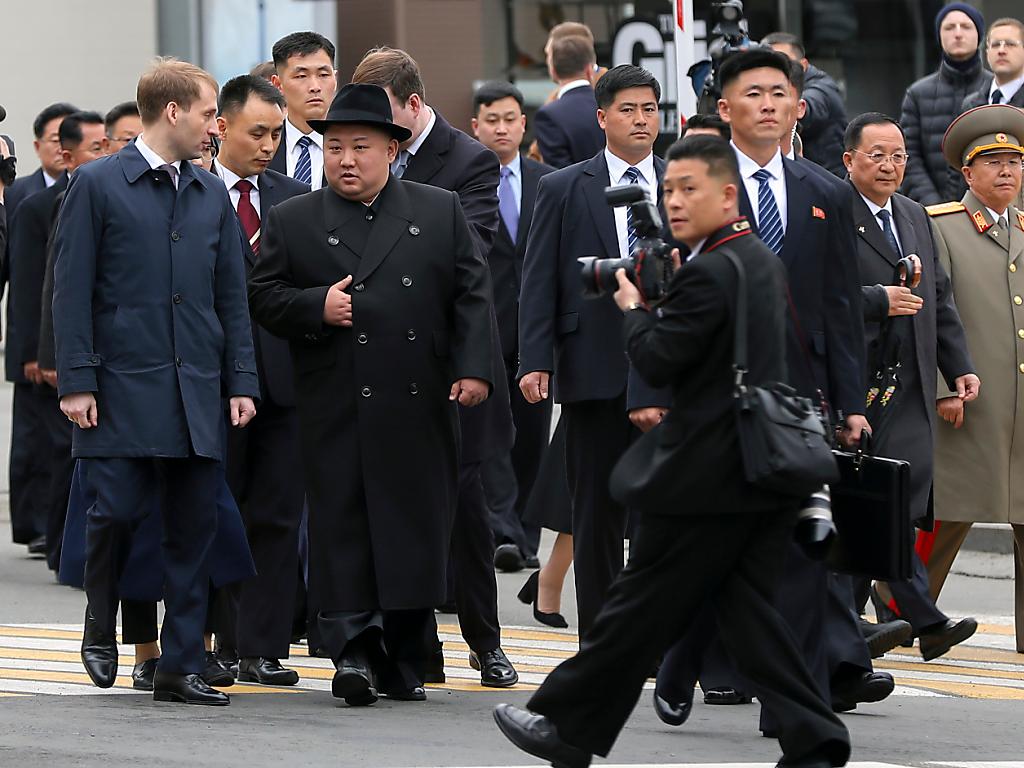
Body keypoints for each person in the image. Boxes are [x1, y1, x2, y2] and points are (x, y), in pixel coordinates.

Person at [493, 133, 851, 768]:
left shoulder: (712, 270)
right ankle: (815, 738)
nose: (676, 202)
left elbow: (660, 357)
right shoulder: (752, 258)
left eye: (690, 190)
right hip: (752, 467)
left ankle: (565, 726)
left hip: (707, 471)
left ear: (728, 196)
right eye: (669, 191)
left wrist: (635, 307)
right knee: (746, 613)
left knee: (639, 604)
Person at [248, 82, 495, 705]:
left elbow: (472, 293)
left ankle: (404, 654)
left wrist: (474, 369)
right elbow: (263, 296)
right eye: (334, 147)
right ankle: (352, 651)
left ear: (391, 150)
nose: (346, 160)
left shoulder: (438, 209)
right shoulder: (295, 218)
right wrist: (316, 306)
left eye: (360, 146)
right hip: (337, 400)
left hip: (420, 398)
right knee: (344, 525)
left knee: (413, 526)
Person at [655, 48, 866, 723]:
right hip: (715, 398)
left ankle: (789, 704)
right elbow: (671, 301)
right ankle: (682, 658)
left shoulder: (827, 192)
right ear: (725, 108)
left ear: (799, 106)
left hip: (801, 402)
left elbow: (841, 306)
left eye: (780, 93)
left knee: (802, 555)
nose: (769, 105)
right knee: (714, 545)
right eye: (754, 93)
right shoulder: (695, 187)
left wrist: (851, 403)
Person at [53, 57, 259, 706]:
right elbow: (70, 289)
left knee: (194, 528)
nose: (215, 126)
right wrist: (77, 380)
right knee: (114, 511)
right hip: (119, 385)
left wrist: (241, 381)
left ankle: (180, 665)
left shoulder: (208, 192)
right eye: (208, 114)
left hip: (195, 386)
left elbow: (232, 298)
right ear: (173, 112)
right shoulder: (97, 184)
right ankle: (100, 616)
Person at [352, 46, 519, 689]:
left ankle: (486, 640)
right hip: (380, 360)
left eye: (384, 117)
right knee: (393, 511)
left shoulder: (469, 160)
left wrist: (379, 254)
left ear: (413, 104)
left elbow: (468, 252)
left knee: (466, 513)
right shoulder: (361, 155)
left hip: (451, 361)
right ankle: (415, 650)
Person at [517, 64, 669, 635]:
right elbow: (539, 280)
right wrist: (535, 360)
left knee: (661, 513)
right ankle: (601, 643)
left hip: (667, 372)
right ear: (602, 117)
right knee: (595, 515)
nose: (640, 120)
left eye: (649, 109)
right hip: (592, 367)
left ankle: (655, 640)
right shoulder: (563, 186)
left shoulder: (682, 182)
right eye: (627, 110)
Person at [843, 111, 980, 661]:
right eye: (876, 155)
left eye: (898, 155)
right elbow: (816, 297)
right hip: (858, 384)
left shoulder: (914, 214)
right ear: (849, 159)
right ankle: (917, 618)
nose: (890, 165)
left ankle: (860, 627)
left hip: (912, 381)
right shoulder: (831, 212)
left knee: (893, 499)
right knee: (873, 503)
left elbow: (940, 297)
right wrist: (877, 300)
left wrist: (958, 365)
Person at [910, 104, 1024, 654]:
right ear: (968, 172)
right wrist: (942, 386)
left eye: (1014, 162)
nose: (1006, 172)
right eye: (993, 162)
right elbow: (932, 313)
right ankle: (901, 608)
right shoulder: (943, 226)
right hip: (971, 397)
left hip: (1021, 401)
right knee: (948, 514)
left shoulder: (1023, 227)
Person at [211, 74, 310, 686]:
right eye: (257, 133)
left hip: (284, 379)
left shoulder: (293, 199)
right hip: (214, 380)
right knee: (217, 511)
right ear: (221, 126)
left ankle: (262, 646)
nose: (269, 145)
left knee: (277, 515)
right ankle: (218, 640)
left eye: (276, 133)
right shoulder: (193, 189)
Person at [10, 111, 107, 572]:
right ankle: (52, 541)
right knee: (52, 449)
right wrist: (35, 353)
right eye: (96, 148)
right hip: (49, 349)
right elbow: (33, 286)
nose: (106, 154)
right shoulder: (36, 204)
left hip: (80, 348)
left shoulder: (103, 193)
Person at [471, 81, 554, 573]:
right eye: (492, 120)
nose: (501, 128)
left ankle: (525, 534)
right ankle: (502, 530)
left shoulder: (549, 182)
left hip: (535, 330)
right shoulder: (468, 182)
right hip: (485, 326)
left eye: (509, 119)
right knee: (492, 435)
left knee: (532, 437)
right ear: (476, 126)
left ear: (524, 125)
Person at [4, 102, 78, 554]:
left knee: (59, 439)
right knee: (31, 439)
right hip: (31, 336)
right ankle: (31, 524)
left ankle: (53, 526)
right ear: (38, 146)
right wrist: (28, 350)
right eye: (52, 140)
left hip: (57, 339)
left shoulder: (81, 190)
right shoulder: (20, 195)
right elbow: (21, 281)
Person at [901, 3, 987, 206]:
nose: (957, 34)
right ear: (939, 36)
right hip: (931, 211)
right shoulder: (917, 94)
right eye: (949, 27)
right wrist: (934, 206)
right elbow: (908, 156)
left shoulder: (995, 89)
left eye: (966, 27)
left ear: (979, 35)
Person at [764, 32, 847, 176]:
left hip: (826, 177)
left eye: (783, 62)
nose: (775, 70)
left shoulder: (822, 88)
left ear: (803, 65)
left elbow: (812, 108)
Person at [268, 31, 338, 190]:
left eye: (323, 75)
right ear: (278, 85)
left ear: (335, 79)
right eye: (301, 76)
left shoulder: (354, 147)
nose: (315, 87)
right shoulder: (264, 146)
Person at [533, 34, 605, 169]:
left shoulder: (548, 115)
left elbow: (558, 173)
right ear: (590, 70)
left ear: (553, 72)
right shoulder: (609, 105)